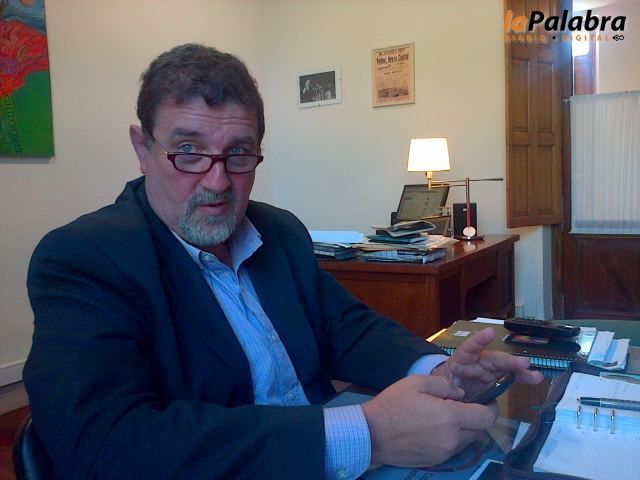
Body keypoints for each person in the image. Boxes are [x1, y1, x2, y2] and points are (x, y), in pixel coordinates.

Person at [24, 43, 543, 480]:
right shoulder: (84, 258)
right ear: (142, 147)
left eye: (239, 153)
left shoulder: (278, 230)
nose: (217, 181)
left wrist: (440, 370)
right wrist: (370, 434)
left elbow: (345, 328)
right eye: (188, 150)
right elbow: (105, 443)